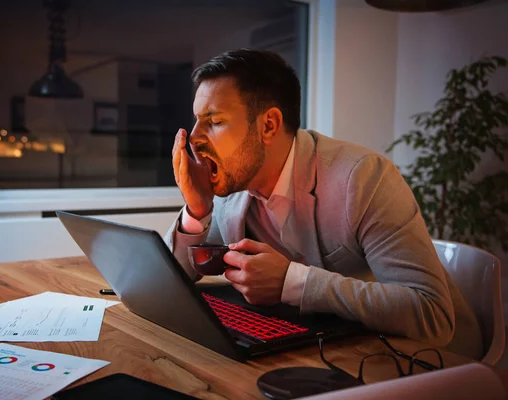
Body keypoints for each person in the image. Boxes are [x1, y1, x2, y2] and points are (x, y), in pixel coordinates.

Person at [164, 48, 482, 359]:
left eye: (214, 121)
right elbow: (166, 283)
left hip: (429, 364)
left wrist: (295, 282)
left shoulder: (362, 178)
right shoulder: (235, 190)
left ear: (268, 126)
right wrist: (197, 211)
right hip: (321, 353)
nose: (194, 138)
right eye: (196, 120)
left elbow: (432, 315)